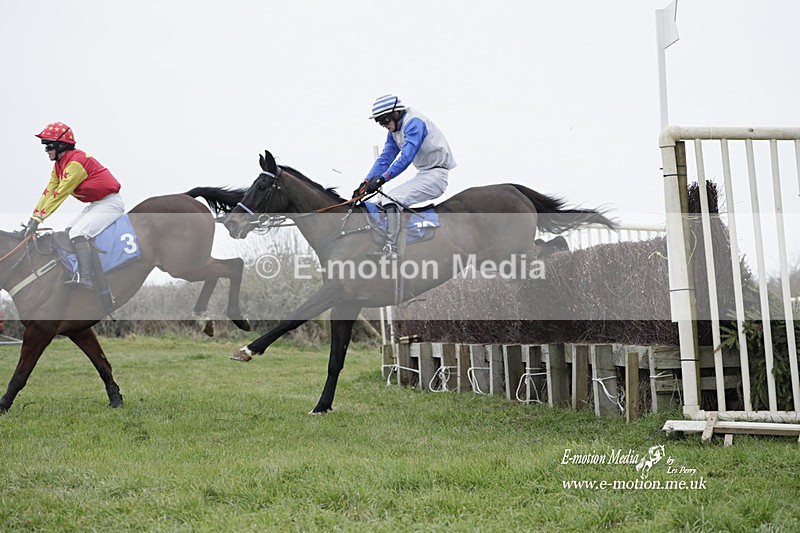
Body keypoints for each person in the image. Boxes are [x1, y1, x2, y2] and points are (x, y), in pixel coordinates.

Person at [354, 94, 456, 258]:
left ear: (395, 113)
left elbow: (406, 157)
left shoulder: (414, 122)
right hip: (424, 173)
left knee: (390, 199)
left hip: (437, 175)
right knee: (381, 202)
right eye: (380, 122)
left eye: (385, 120)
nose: (384, 125)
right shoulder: (395, 130)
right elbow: (386, 158)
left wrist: (382, 179)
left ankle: (392, 249)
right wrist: (365, 183)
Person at [24, 122, 124, 289]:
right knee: (69, 231)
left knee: (78, 233)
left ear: (61, 145)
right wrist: (33, 218)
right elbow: (49, 191)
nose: (46, 151)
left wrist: (39, 219)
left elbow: (59, 194)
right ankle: (78, 271)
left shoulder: (75, 164)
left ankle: (87, 278)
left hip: (111, 203)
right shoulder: (59, 166)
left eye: (48, 147)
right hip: (98, 203)